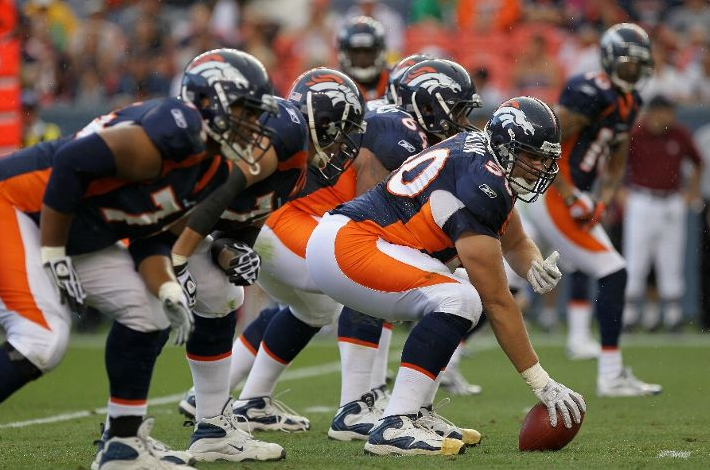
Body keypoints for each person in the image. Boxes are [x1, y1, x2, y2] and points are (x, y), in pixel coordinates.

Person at [0, 48, 282, 470]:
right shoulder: (177, 128)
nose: (254, 124)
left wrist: (167, 287)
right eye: (246, 109)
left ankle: (123, 445)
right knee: (42, 339)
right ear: (208, 101)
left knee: (149, 310)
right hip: (18, 205)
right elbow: (71, 163)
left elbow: (152, 239)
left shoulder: (214, 171)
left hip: (69, 229)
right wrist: (54, 253)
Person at [305, 96, 585, 456]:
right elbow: (499, 302)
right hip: (351, 244)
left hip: (357, 240)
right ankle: (396, 423)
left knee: (463, 291)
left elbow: (515, 241)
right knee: (463, 297)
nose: (539, 166)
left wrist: (532, 262)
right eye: (531, 156)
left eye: (545, 158)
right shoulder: (482, 180)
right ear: (504, 146)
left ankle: (416, 410)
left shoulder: (487, 163)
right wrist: (540, 382)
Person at [229, 59, 484, 445]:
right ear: (430, 106)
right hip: (290, 220)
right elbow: (374, 218)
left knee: (312, 309)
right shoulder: (399, 130)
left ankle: (250, 400)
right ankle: (356, 406)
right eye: (458, 109)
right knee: (367, 274)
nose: (463, 121)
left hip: (284, 222)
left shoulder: (390, 123)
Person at [169, 67, 367, 461]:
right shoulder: (289, 132)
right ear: (322, 121)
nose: (345, 143)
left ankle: (214, 426)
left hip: (181, 217)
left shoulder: (297, 164)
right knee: (145, 312)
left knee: (222, 296)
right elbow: (225, 189)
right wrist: (175, 260)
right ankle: (123, 430)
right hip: (161, 213)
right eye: (340, 130)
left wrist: (230, 250)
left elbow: (244, 212)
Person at [526, 23, 663, 396]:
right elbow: (544, 143)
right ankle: (610, 375)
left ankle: (449, 360)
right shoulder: (589, 92)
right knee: (613, 272)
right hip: (553, 193)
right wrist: (571, 195)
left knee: (503, 285)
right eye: (627, 63)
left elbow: (617, 160)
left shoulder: (630, 101)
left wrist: (601, 199)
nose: (633, 70)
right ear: (609, 60)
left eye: (639, 64)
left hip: (579, 196)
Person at [622, 95, 703, 332]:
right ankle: (629, 315)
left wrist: (692, 193)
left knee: (671, 259)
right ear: (651, 113)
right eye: (660, 112)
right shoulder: (636, 134)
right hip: (642, 200)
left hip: (671, 201)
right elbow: (615, 162)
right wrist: (619, 192)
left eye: (668, 113)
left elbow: (698, 162)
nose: (664, 118)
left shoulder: (679, 134)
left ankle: (672, 316)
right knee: (635, 259)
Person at [337, 15, 390, 101]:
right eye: (355, 52)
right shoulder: (335, 83)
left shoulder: (393, 80)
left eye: (368, 51)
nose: (362, 57)